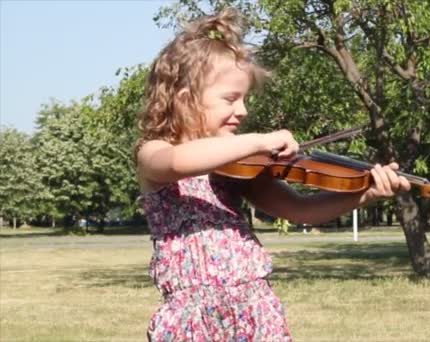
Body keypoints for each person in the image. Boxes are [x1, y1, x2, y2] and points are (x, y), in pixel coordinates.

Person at [135, 8, 411, 342]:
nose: (243, 111)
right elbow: (178, 162)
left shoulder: (238, 168)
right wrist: (261, 140)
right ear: (185, 100)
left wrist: (363, 193)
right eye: (231, 99)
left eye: (245, 99)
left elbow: (300, 210)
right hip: (193, 321)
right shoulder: (154, 153)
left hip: (254, 310)